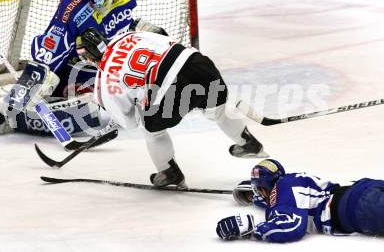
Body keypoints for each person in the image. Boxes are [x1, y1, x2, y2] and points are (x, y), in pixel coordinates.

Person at [0, 0, 166, 136]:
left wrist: (146, 32)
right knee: (89, 72)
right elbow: (51, 46)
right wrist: (31, 87)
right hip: (77, 68)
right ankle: (3, 110)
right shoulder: (72, 7)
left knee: (146, 68)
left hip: (113, 62)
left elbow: (127, 23)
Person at [75, 27, 268, 187]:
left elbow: (129, 122)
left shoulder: (104, 79)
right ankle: (249, 144)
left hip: (171, 85)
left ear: (90, 59)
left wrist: (139, 103)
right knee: (219, 109)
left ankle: (169, 173)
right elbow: (163, 36)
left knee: (151, 130)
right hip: (197, 62)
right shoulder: (127, 35)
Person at [216, 159, 384, 243]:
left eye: (258, 191)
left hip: (359, 209)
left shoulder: (281, 191)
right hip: (363, 190)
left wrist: (252, 229)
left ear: (266, 188)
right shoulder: (290, 182)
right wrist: (253, 195)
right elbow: (279, 202)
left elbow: (292, 227)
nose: (256, 196)